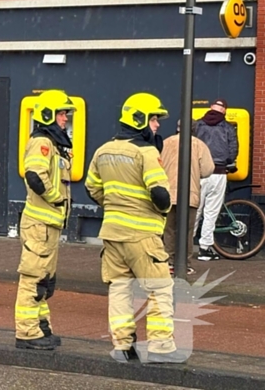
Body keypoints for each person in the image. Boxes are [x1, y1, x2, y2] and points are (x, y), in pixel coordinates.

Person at [85, 92, 184, 363]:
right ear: (139, 119)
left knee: (120, 288)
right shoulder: (147, 152)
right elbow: (160, 194)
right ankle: (161, 347)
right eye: (154, 119)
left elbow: (92, 188)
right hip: (143, 236)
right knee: (159, 288)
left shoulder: (103, 150)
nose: (157, 125)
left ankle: (123, 346)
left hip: (112, 234)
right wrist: (162, 211)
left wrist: (114, 205)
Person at [15, 90, 75, 351]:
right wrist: (56, 198)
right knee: (34, 279)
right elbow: (35, 176)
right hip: (40, 225)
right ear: (48, 115)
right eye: (62, 113)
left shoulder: (53, 145)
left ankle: (40, 327)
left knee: (45, 281)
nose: (65, 118)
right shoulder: (42, 142)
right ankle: (27, 333)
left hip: (48, 226)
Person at [160, 119, 214, 275]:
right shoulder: (199, 145)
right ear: (194, 129)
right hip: (190, 195)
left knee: (169, 230)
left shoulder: (165, 143)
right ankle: (184, 264)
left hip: (167, 194)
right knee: (187, 231)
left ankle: (168, 262)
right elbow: (208, 169)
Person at [193, 99, 238, 261]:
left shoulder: (197, 125)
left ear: (210, 108)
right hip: (218, 173)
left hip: (198, 173)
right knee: (211, 212)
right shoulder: (228, 127)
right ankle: (204, 249)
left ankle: (185, 246)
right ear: (224, 111)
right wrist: (230, 162)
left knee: (194, 210)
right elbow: (233, 149)